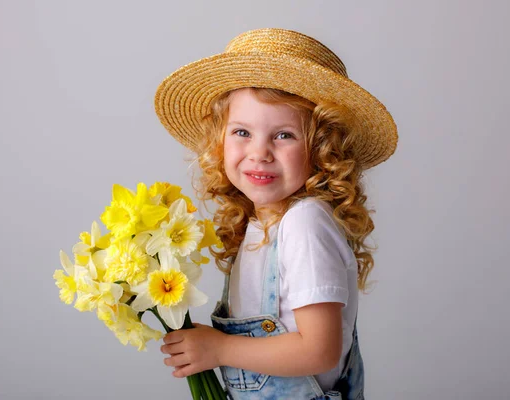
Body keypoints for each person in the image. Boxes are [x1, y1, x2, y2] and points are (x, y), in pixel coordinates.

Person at [153, 28, 398, 399]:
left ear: (322, 149)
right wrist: (211, 341)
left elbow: (319, 350)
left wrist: (219, 349)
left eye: (283, 135)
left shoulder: (304, 222)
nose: (260, 152)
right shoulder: (260, 224)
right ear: (219, 142)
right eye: (241, 132)